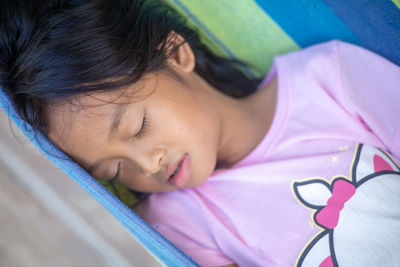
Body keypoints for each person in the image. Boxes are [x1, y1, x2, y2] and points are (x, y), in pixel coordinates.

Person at [1, 0, 400, 266]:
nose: (147, 166)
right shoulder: (176, 223)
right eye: (116, 173)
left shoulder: (330, 79)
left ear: (177, 54)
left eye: (138, 127)